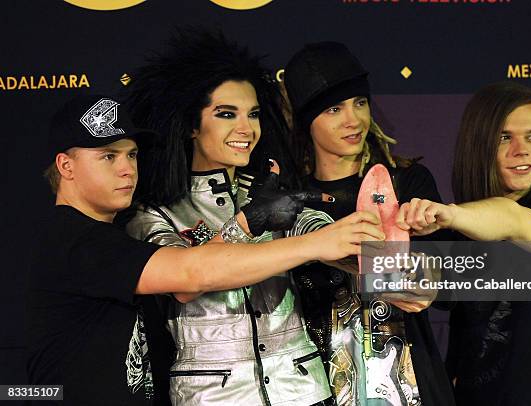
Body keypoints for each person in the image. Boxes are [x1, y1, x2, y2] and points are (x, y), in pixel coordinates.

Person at [26, 94, 384, 406]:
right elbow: (190, 275)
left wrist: (406, 233)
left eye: (132, 155)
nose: (127, 169)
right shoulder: (73, 238)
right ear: (65, 166)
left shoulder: (110, 236)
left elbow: (395, 279)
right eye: (108, 157)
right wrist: (296, 238)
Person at [122, 29, 367, 406]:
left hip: (303, 391)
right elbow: (186, 283)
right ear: (191, 124)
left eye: (253, 114)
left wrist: (369, 251)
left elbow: (325, 239)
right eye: (226, 114)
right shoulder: (154, 213)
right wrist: (247, 224)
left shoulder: (269, 190)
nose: (245, 129)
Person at [283, 41, 456, 406]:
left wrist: (422, 277)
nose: (353, 120)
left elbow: (447, 288)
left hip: (407, 379)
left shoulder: (405, 183)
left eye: (359, 103)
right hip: (315, 384)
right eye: (334, 109)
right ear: (306, 121)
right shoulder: (289, 199)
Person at [397, 81, 531, 405]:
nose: (523, 150)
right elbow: (414, 285)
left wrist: (447, 214)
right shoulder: (462, 233)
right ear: (480, 145)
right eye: (505, 137)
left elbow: (512, 218)